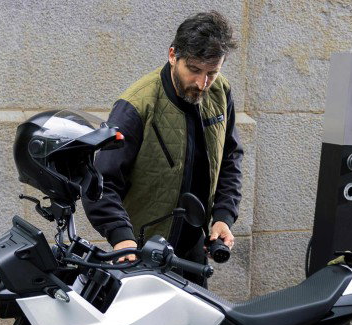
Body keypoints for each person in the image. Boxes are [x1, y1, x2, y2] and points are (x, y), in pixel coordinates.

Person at [83, 11, 244, 286]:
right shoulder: (136, 105)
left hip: (194, 247)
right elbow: (100, 181)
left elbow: (230, 156)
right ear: (173, 55)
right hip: (145, 250)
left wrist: (223, 217)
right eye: (194, 70)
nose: (202, 83)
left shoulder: (220, 92)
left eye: (212, 73)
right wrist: (121, 236)